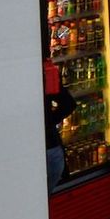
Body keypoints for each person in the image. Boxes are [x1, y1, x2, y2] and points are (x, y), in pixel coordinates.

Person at [43, 60, 76, 193]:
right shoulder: (46, 73)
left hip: (41, 150)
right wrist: (49, 121)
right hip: (52, 148)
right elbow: (69, 104)